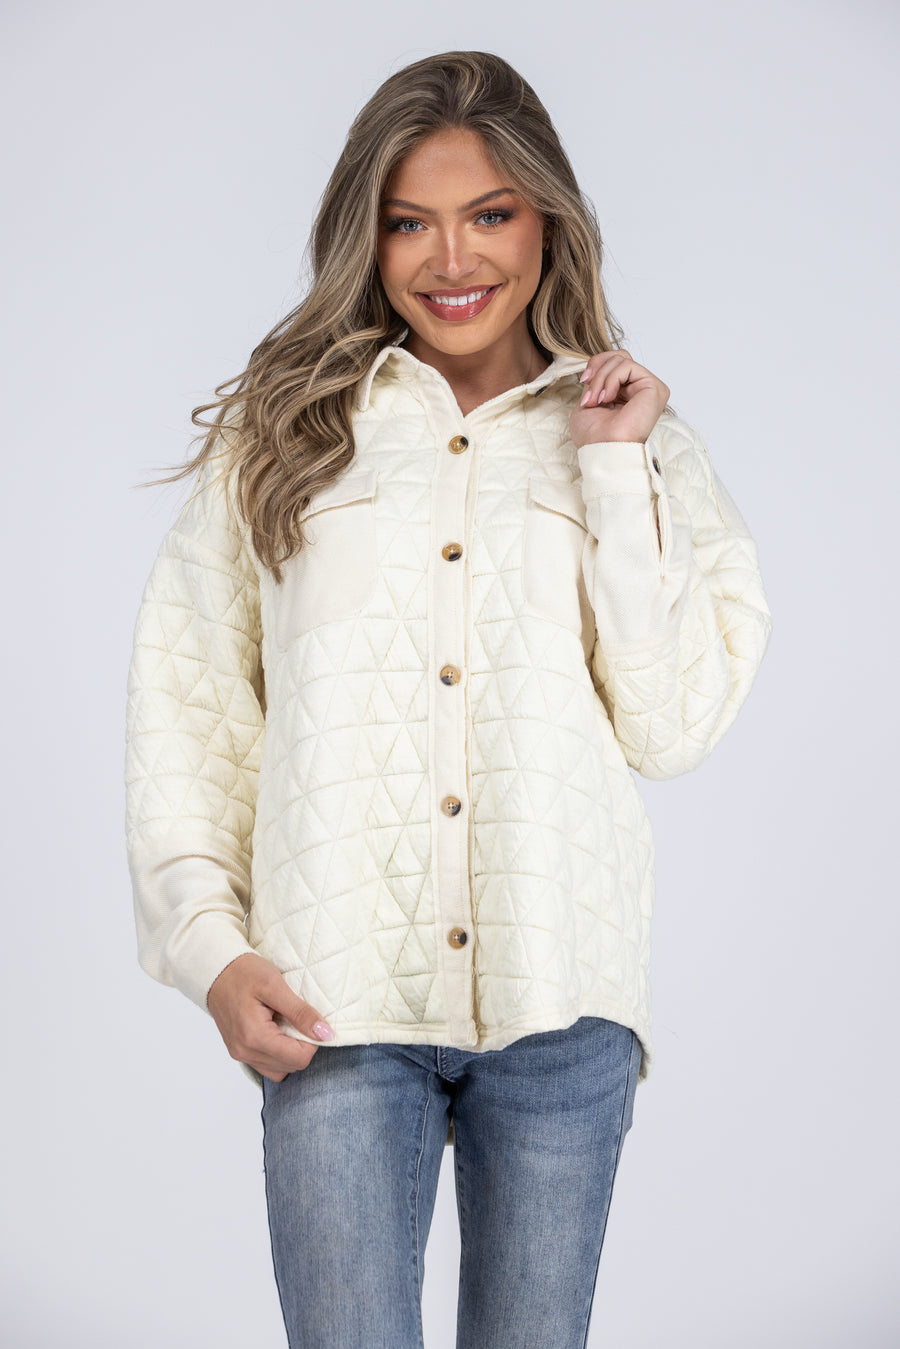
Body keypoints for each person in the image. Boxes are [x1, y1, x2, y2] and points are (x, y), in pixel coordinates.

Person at [125, 49, 771, 1349]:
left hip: (561, 1004)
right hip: (333, 1008)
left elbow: (670, 725)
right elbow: (189, 714)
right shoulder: (284, 436)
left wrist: (614, 473)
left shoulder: (642, 444)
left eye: (489, 214)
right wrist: (210, 948)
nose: (451, 257)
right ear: (365, 239)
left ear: (548, 221)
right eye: (409, 222)